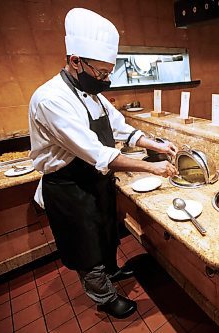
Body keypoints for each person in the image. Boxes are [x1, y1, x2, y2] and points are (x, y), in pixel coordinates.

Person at [28, 8, 178, 319]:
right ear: (75, 61)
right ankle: (105, 297)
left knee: (107, 232)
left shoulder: (90, 92)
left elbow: (120, 127)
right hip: (69, 187)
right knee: (86, 246)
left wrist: (157, 144)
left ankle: (111, 273)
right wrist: (153, 167)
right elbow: (98, 153)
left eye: (110, 73)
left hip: (95, 181)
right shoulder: (51, 99)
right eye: (101, 73)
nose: (106, 80)